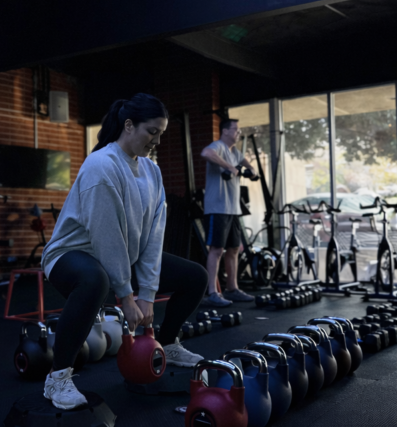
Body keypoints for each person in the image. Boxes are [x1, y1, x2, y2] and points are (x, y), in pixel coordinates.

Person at [39, 94, 208, 410]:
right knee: (95, 281)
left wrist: (147, 293)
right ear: (128, 125)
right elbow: (107, 238)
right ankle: (57, 377)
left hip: (119, 256)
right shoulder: (101, 165)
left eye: (160, 133)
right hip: (70, 255)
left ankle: (168, 343)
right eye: (151, 132)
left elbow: (153, 239)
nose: (156, 140)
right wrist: (127, 298)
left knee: (195, 276)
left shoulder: (151, 171)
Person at [200, 117, 257, 307]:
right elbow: (205, 153)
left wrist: (251, 170)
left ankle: (232, 289)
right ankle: (212, 292)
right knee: (216, 250)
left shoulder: (235, 152)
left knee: (233, 249)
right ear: (225, 131)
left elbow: (245, 163)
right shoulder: (218, 146)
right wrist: (229, 167)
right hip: (217, 208)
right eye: (236, 130)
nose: (238, 133)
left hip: (233, 209)